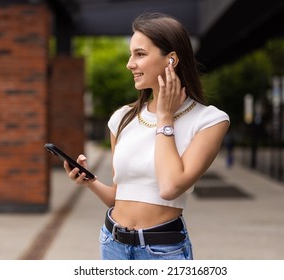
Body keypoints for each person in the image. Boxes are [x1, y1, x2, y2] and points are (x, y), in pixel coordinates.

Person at [64, 12, 230, 260]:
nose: (130, 63)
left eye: (140, 54)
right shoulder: (122, 118)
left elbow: (170, 187)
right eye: (131, 54)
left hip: (163, 250)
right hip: (112, 243)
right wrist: (90, 181)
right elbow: (118, 197)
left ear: (171, 60)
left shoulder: (209, 120)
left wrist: (165, 118)